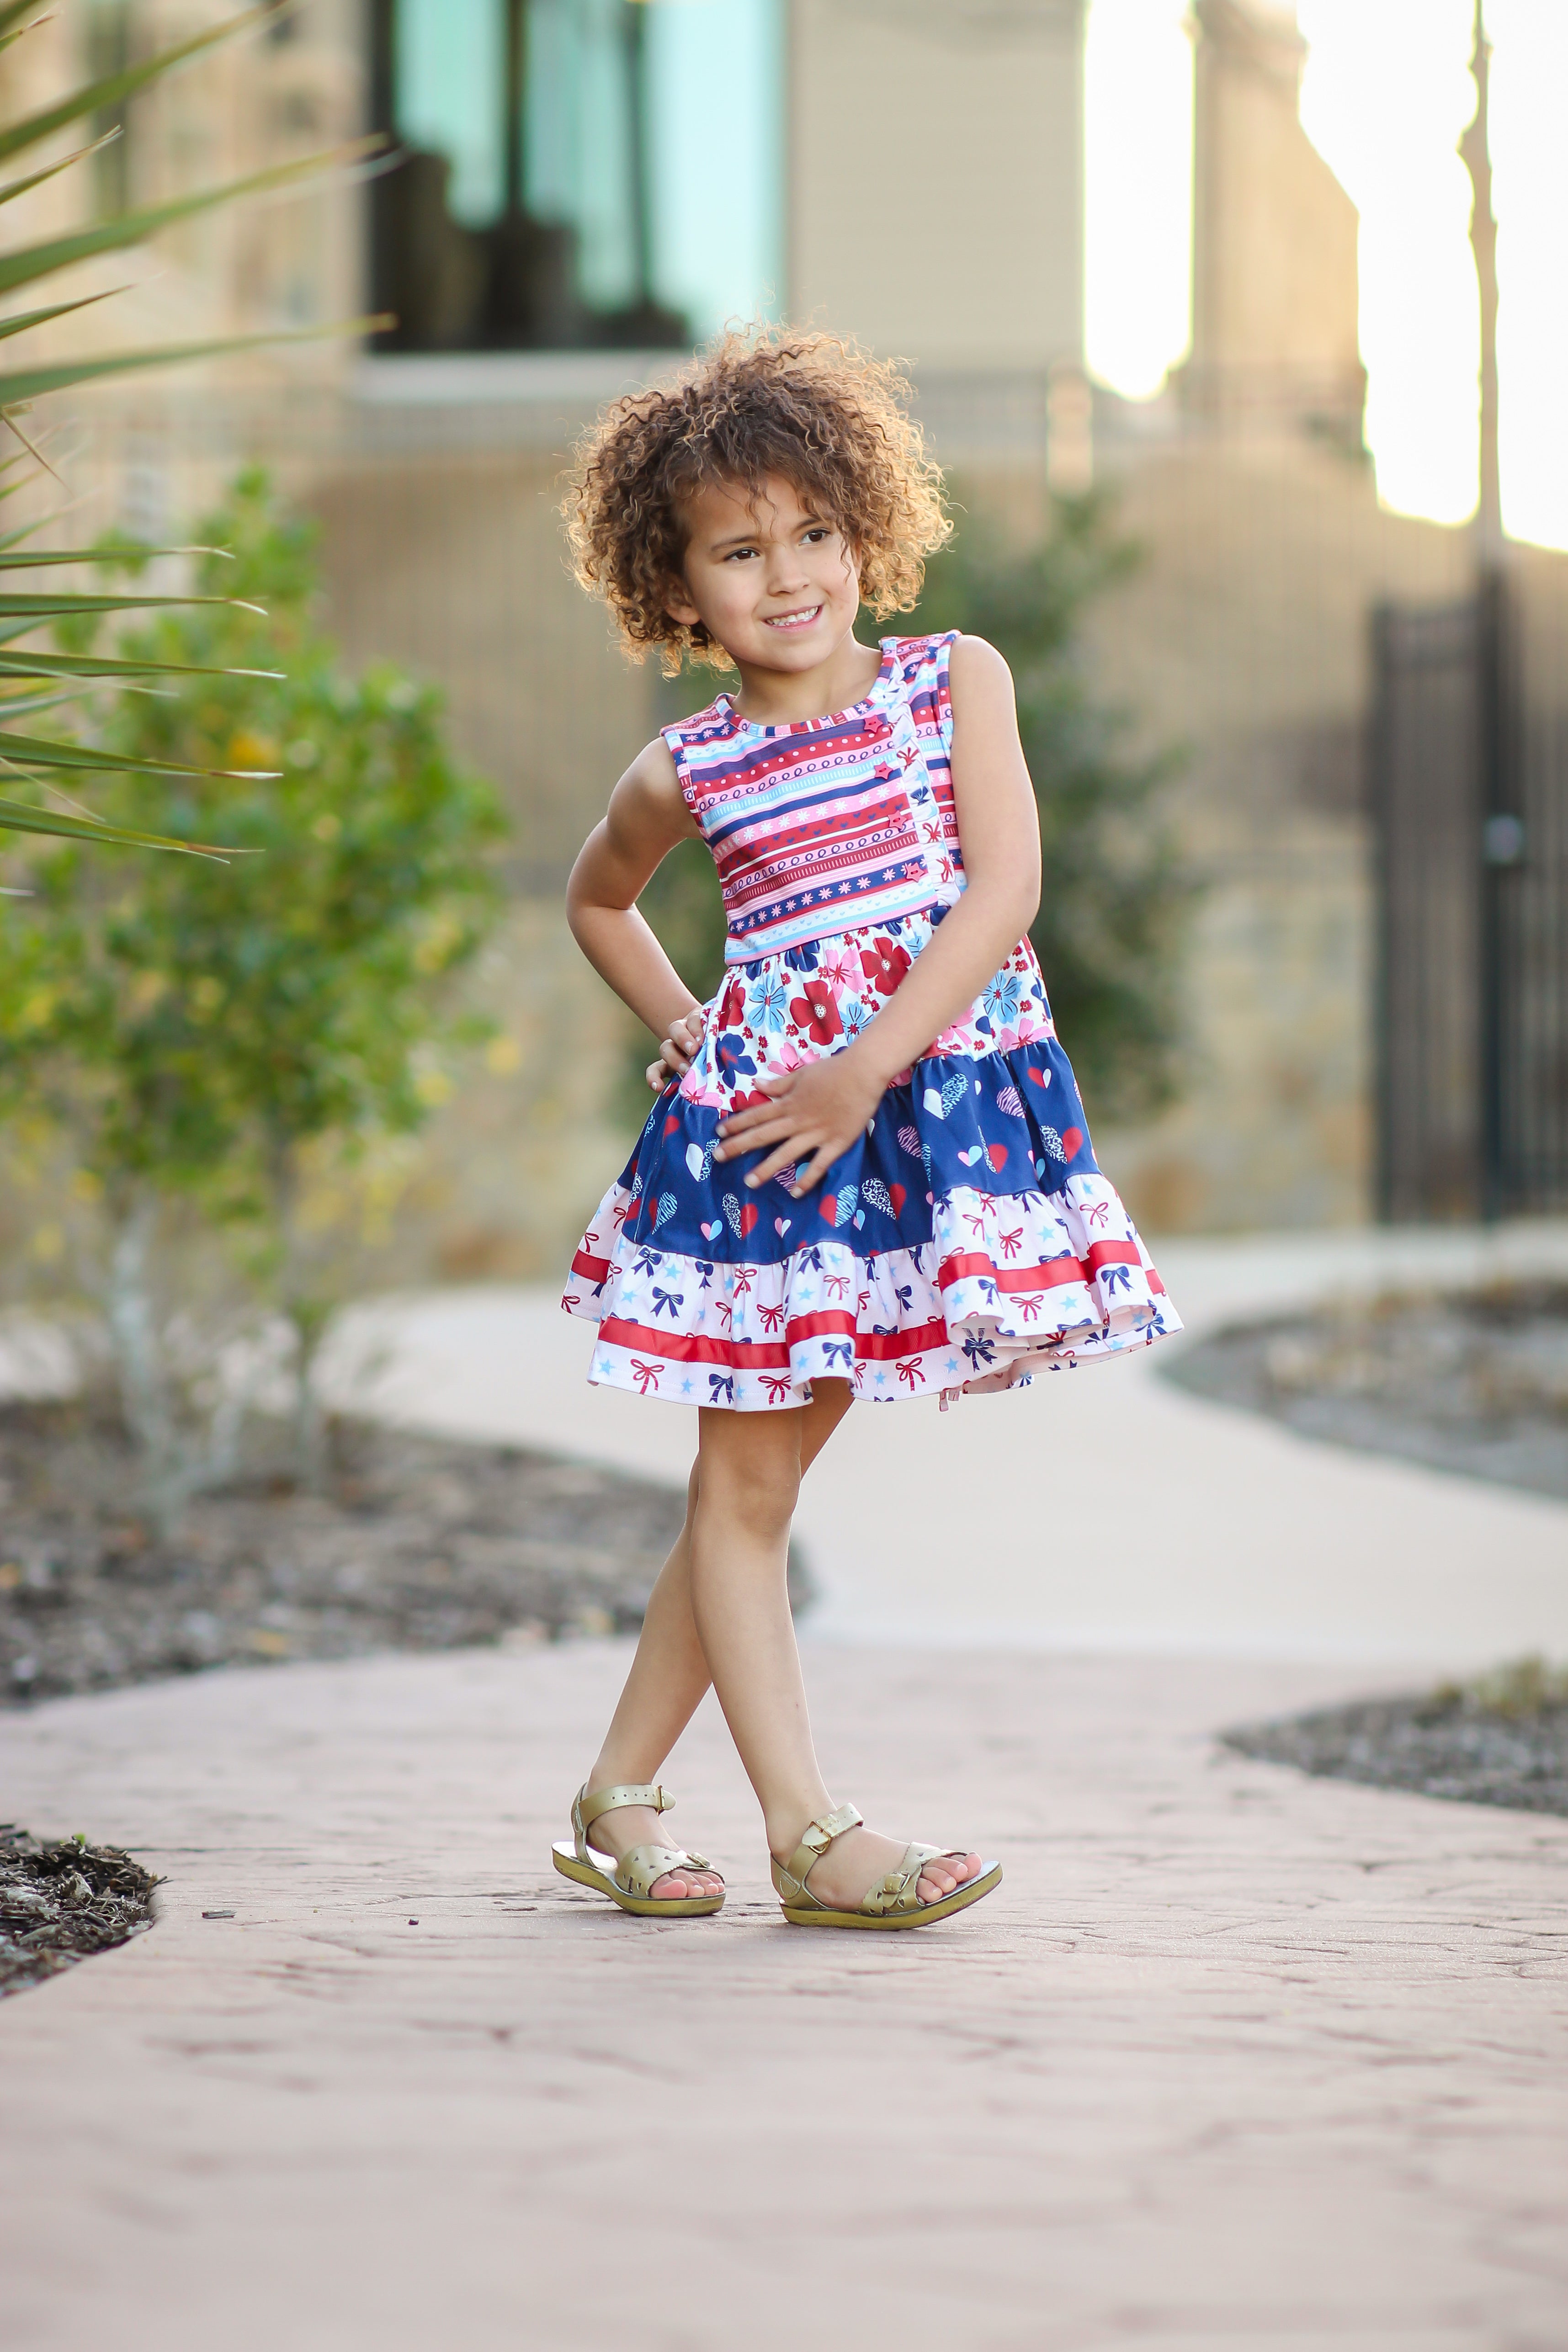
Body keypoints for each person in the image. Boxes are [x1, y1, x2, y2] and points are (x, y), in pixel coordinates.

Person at [553, 329, 1180, 1931]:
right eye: (739, 550)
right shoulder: (687, 765)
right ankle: (804, 1832)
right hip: (775, 1150)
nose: (788, 575)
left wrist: (866, 1074)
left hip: (896, 1133)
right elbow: (598, 901)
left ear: (865, 529)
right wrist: (699, 1030)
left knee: (747, 1493)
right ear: (677, 587)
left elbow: (1005, 893)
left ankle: (620, 1793)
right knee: (745, 1492)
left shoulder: (953, 680)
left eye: (814, 532)